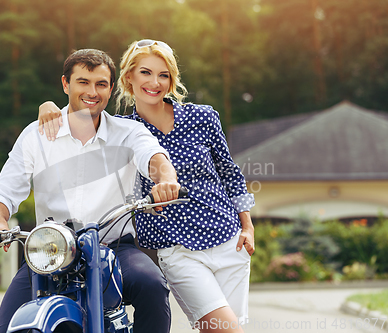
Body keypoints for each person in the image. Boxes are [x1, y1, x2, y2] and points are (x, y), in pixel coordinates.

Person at [38, 40, 256, 333]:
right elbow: (78, 119)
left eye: (163, 75)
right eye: (146, 73)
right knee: (226, 330)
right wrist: (49, 107)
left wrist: (247, 225)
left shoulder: (203, 117)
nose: (155, 83)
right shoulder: (122, 131)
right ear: (128, 77)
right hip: (177, 250)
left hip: (229, 240)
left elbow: (229, 173)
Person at [0, 49, 180, 333]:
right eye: (83, 82)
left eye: (101, 84)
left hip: (114, 247)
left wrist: (165, 182)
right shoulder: (35, 135)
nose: (92, 91)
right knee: (7, 328)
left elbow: (155, 158)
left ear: (111, 89)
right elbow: (3, 191)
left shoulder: (128, 132)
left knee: (152, 285)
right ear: (66, 84)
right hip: (50, 252)